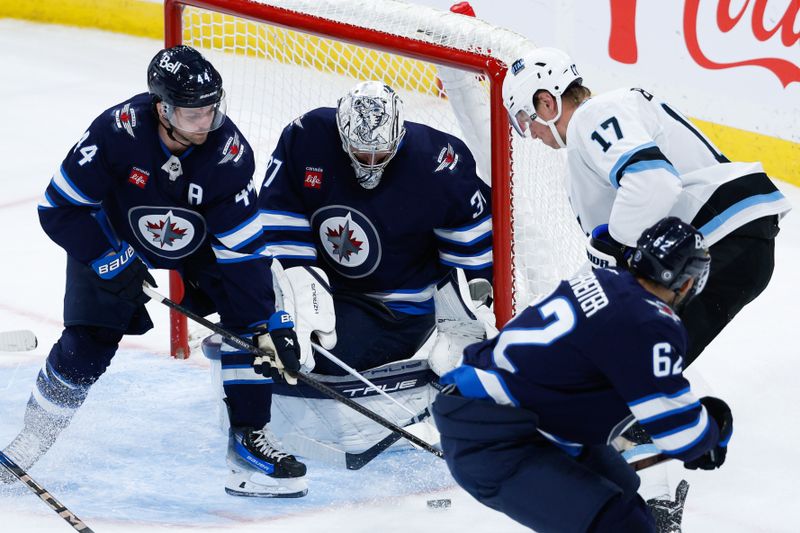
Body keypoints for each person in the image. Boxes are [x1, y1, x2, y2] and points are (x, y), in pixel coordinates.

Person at [2, 45, 307, 498]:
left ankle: (248, 435)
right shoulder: (116, 131)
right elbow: (59, 207)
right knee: (89, 339)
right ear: (162, 108)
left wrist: (267, 319)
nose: (206, 122)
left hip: (200, 244)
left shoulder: (229, 155)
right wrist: (110, 258)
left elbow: (242, 252)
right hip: (115, 235)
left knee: (249, 325)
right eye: (192, 114)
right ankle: (31, 440)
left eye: (211, 109)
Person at [432, 217, 734, 533]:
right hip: (495, 440)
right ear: (688, 282)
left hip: (506, 416)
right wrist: (711, 436)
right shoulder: (650, 321)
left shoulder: (603, 279)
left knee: (623, 488)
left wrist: (698, 428)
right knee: (620, 524)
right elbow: (680, 434)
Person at [501, 47, 790, 366]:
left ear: (547, 102)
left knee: (633, 363)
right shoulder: (592, 142)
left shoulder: (593, 116)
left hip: (720, 237)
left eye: (526, 119)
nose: (530, 133)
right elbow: (613, 252)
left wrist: (614, 248)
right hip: (729, 242)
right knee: (639, 361)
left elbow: (653, 182)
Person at [253, 80, 493, 453]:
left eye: (380, 154)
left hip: (395, 309)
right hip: (327, 285)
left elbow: (472, 257)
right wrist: (300, 290)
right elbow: (277, 218)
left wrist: (463, 323)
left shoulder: (440, 162)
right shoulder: (307, 136)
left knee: (319, 363)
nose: (370, 163)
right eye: (360, 153)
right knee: (255, 328)